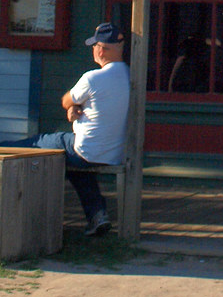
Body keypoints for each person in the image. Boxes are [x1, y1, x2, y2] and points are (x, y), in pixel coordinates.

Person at [2, 22, 130, 236]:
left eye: (93, 46)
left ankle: (2, 150)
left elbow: (65, 100)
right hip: (112, 152)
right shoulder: (128, 75)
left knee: (37, 143)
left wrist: (73, 105)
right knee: (78, 165)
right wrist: (78, 106)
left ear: (100, 49)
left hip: (85, 149)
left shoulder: (93, 78)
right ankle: (97, 216)